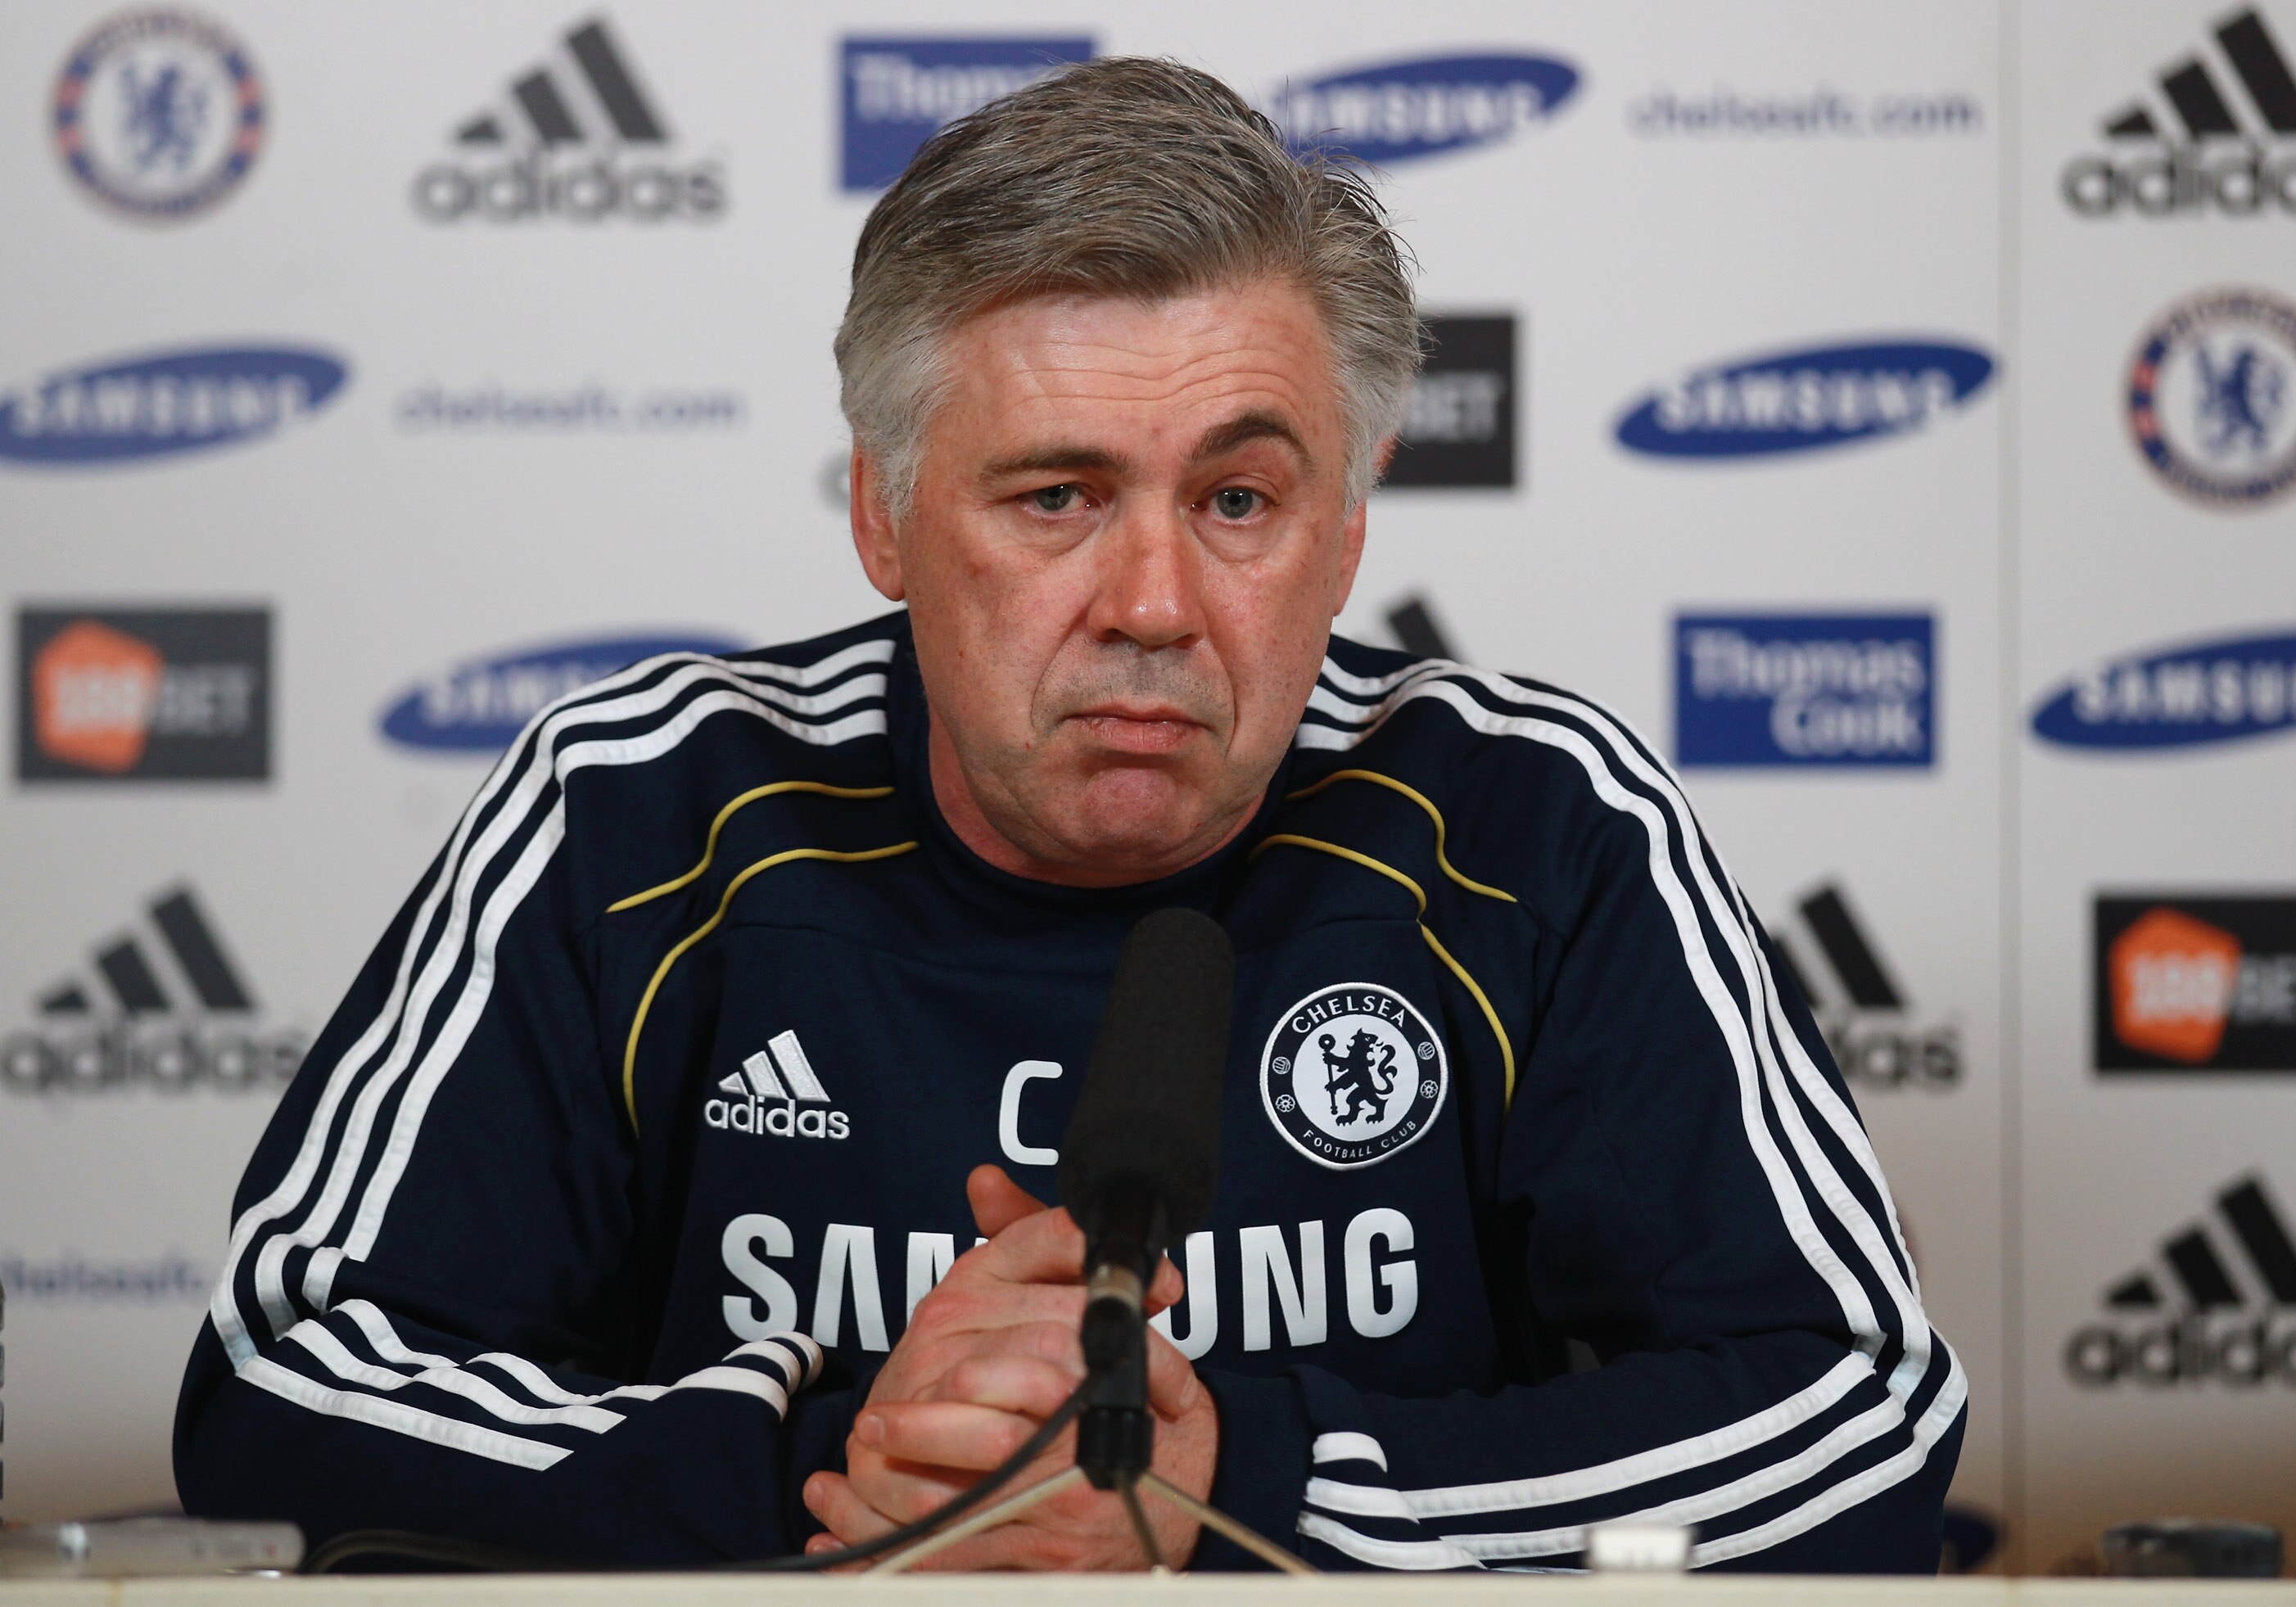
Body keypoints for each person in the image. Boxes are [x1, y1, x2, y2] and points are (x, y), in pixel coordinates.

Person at [175, 58, 1961, 1572]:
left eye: (1243, 498)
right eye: (1055, 495)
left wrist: (1227, 1483)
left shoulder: (1530, 821)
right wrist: (828, 1456)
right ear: (885, 519)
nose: (1157, 601)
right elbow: (280, 1383)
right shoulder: (641, 810)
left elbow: (1856, 1411)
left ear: (1349, 526)